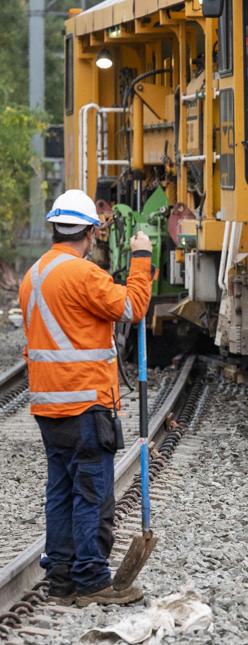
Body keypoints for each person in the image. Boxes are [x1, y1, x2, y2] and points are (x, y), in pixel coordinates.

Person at [19, 189, 154, 607]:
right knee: (92, 494)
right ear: (92, 232)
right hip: (85, 405)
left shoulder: (34, 275)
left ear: (55, 226)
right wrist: (142, 258)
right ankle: (93, 581)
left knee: (60, 492)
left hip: (47, 406)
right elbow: (133, 307)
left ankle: (61, 581)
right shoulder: (83, 275)